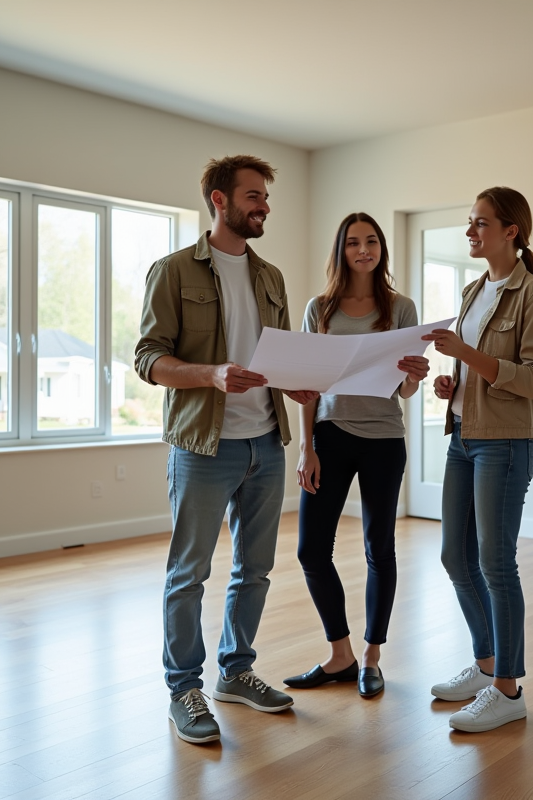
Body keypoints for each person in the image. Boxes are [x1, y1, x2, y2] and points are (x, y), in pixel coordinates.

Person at [135, 155, 319, 745]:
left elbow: (280, 362)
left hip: (265, 442)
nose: (263, 206)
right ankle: (183, 688)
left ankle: (236, 672)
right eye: (253, 197)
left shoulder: (270, 278)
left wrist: (298, 384)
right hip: (203, 446)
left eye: (265, 198)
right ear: (219, 200)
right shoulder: (172, 272)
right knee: (189, 572)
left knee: (256, 570)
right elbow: (148, 359)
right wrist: (211, 375)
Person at [421, 187, 533, 732]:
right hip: (463, 435)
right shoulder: (474, 289)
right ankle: (486, 665)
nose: (471, 232)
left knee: (496, 563)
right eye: (469, 223)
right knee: (456, 556)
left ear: (511, 231)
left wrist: (469, 356)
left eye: (480, 223)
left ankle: (508, 688)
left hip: (504, 443)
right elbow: (480, 369)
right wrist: (453, 383)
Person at [283, 213, 429, 698]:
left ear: (381, 249)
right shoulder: (319, 309)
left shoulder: (401, 308)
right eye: (353, 242)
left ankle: (371, 656)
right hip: (330, 435)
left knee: (378, 547)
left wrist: (415, 375)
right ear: (341, 250)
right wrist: (306, 449)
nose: (363, 250)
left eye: (371, 241)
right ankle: (340, 653)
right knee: (310, 550)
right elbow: (307, 389)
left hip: (384, 439)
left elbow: (405, 391)